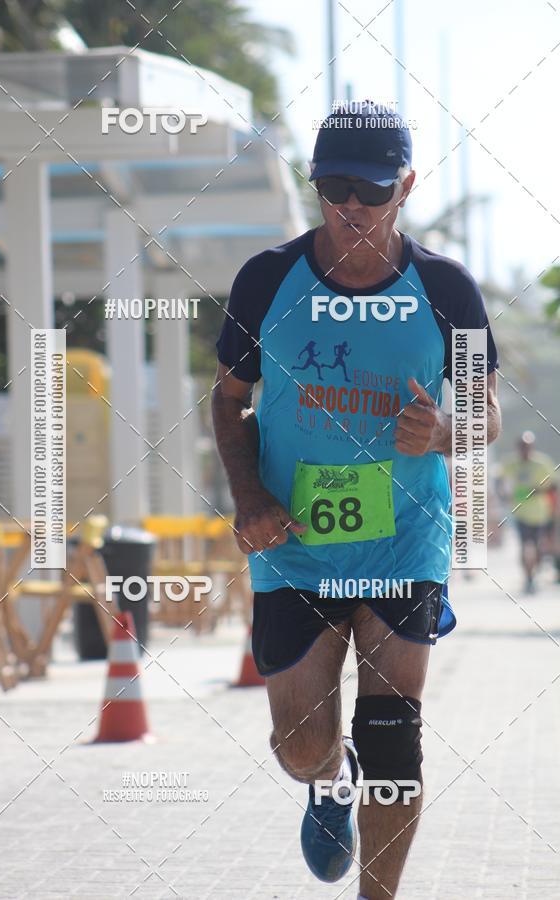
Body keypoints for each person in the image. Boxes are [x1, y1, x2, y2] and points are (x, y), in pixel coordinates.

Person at [212, 102, 501, 899]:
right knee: (302, 744)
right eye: (332, 187)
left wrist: (443, 429)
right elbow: (226, 398)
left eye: (369, 192)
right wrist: (250, 495)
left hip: (403, 542)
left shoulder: (447, 289)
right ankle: (327, 781)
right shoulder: (268, 278)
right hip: (294, 544)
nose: (350, 209)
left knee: (394, 737)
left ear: (405, 186)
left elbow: (487, 415)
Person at [500, 431, 556, 593]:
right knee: (525, 546)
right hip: (520, 513)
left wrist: (536, 491)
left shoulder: (541, 463)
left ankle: (534, 573)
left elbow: (552, 485)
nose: (525, 450)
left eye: (527, 447)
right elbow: (500, 480)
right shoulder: (511, 464)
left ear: (532, 447)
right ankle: (528, 578)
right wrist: (504, 493)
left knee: (538, 547)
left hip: (540, 513)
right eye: (522, 447)